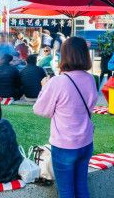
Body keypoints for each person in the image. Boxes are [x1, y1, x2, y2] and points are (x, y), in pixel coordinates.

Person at [33, 37, 98, 198]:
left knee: (66, 191)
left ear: (65, 55)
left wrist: (44, 87)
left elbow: (41, 110)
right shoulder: (91, 79)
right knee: (81, 186)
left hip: (64, 145)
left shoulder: (58, 82)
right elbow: (89, 106)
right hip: (86, 141)